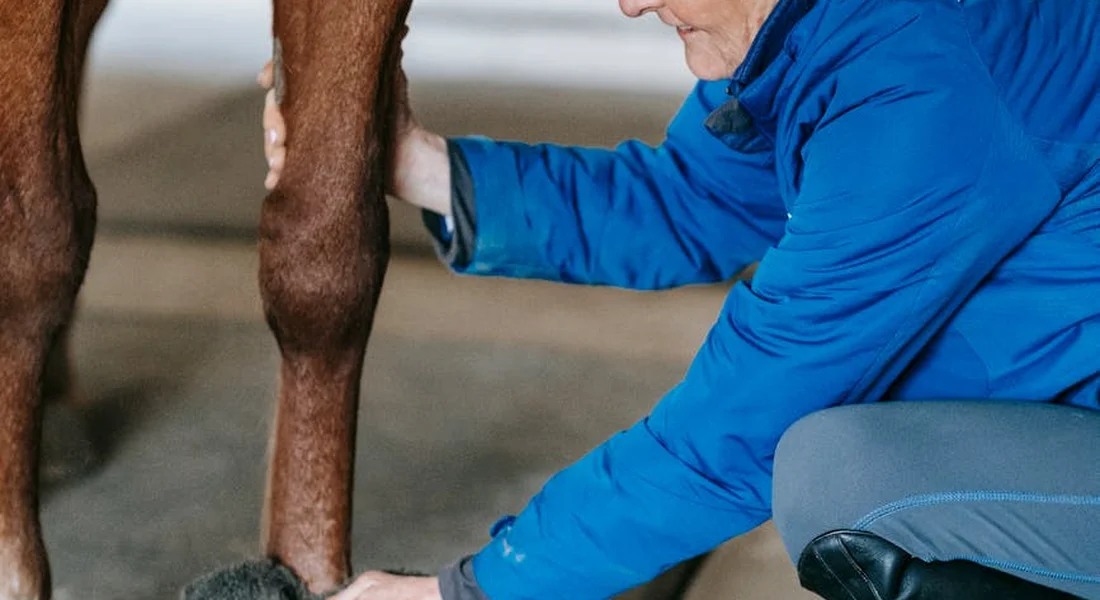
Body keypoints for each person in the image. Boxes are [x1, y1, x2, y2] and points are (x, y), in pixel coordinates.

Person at [260, 0, 1100, 598]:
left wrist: (468, 591)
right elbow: (686, 202)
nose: (630, 4)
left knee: (847, 482)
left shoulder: (921, 77)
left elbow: (734, 432)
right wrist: (418, 166)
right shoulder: (821, 36)